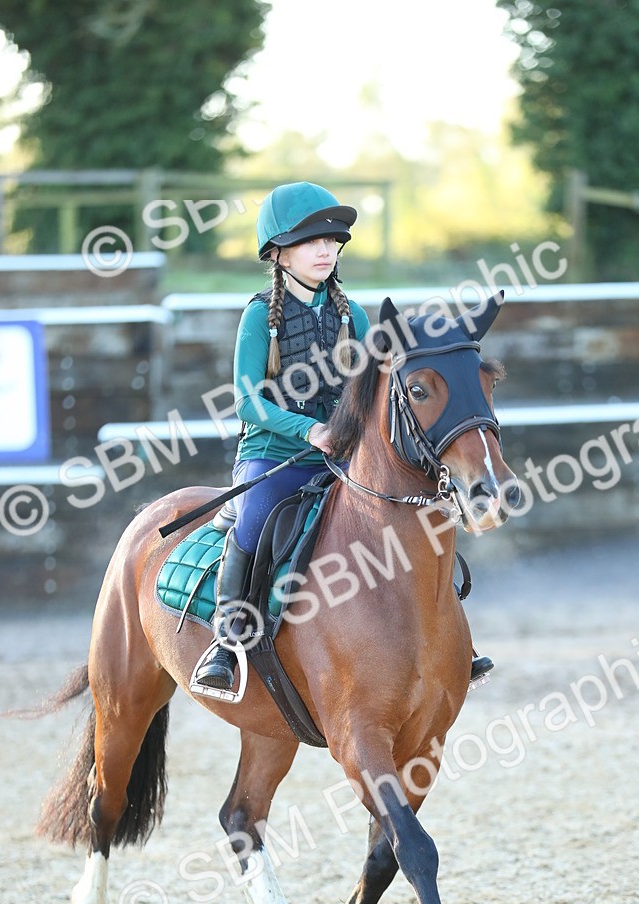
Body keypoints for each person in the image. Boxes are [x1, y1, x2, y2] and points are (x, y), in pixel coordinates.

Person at [195, 180, 493, 693]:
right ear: (278, 252)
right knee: (258, 514)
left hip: (342, 456)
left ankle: (449, 641)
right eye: (313, 242)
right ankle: (227, 639)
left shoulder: (352, 315)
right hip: (274, 454)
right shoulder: (256, 318)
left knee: (417, 514)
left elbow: (367, 393)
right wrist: (309, 429)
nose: (326, 251)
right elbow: (247, 402)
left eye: (333, 242)